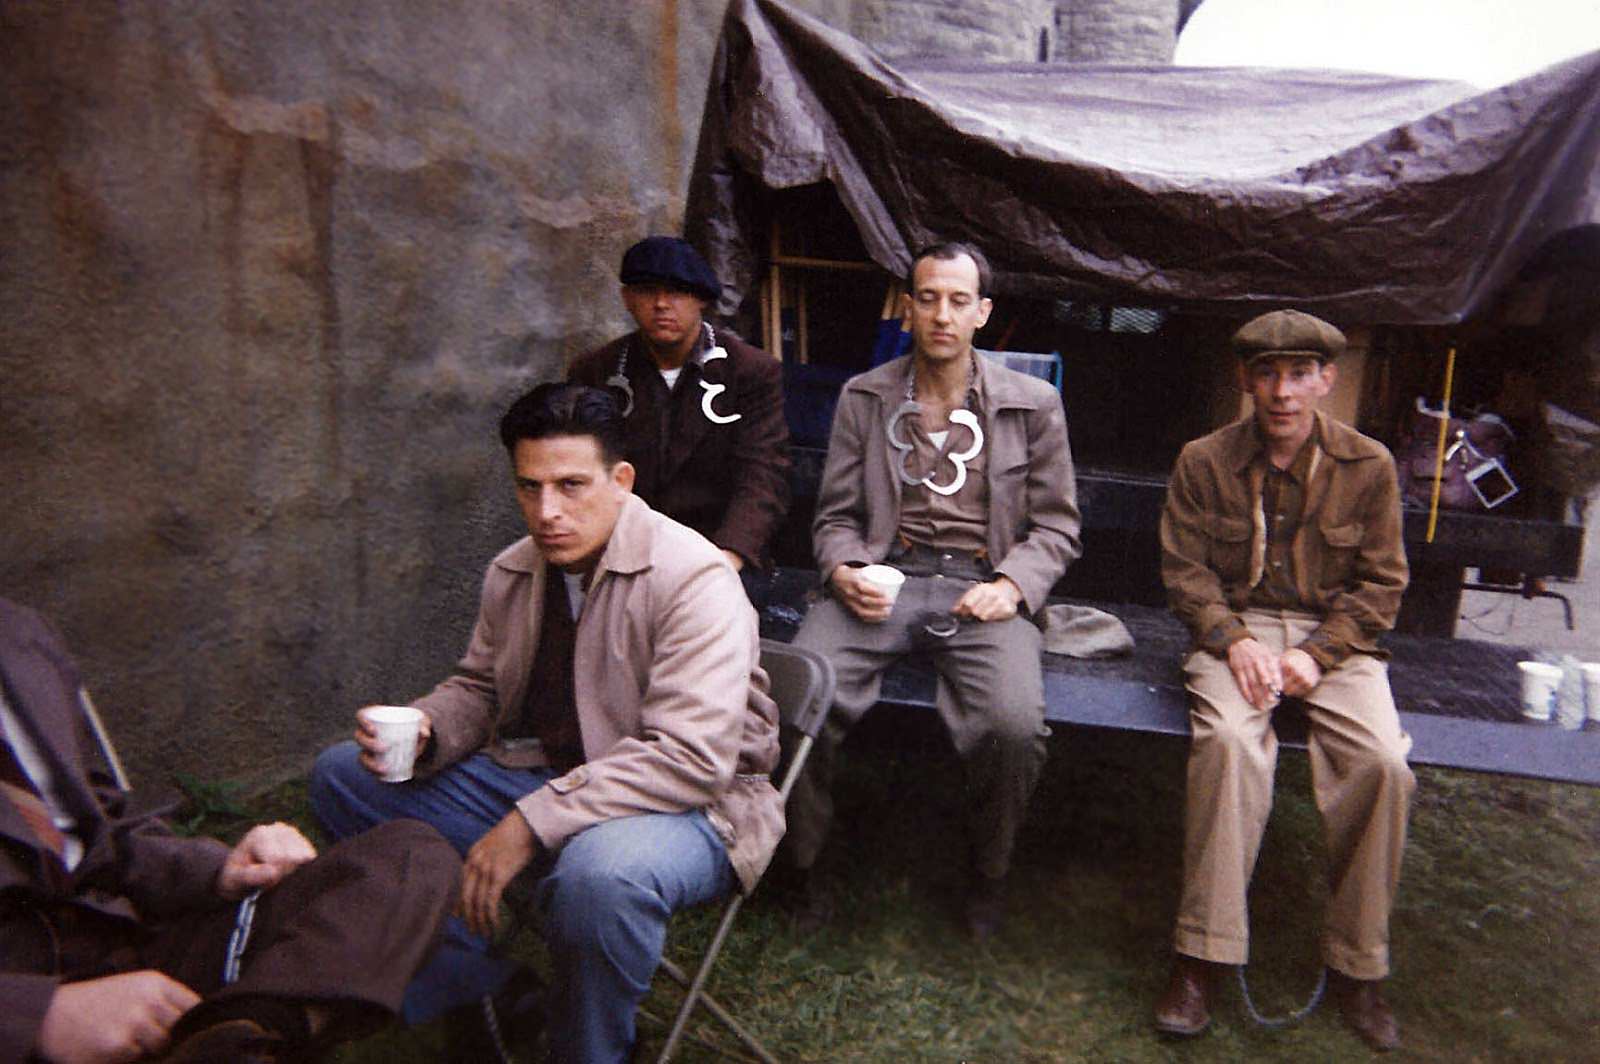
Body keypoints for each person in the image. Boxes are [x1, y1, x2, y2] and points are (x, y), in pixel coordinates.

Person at [309, 383, 783, 1063]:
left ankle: (592, 1051)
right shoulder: (515, 569)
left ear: (621, 480)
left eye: (570, 485)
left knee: (599, 877)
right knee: (343, 779)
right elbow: (479, 687)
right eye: (529, 488)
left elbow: (692, 758)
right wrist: (427, 728)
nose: (547, 512)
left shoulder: (694, 578)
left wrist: (530, 824)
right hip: (555, 776)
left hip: (693, 808)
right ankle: (482, 985)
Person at [0, 597, 459, 1064]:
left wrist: (217, 869)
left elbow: (99, 822)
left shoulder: (18, 635)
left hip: (132, 940)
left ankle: (238, 1033)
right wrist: (38, 1016)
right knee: (340, 778)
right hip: (29, 997)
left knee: (414, 856)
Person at [783, 241, 1081, 940]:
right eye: (927, 298)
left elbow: (1059, 526)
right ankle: (800, 866)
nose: (941, 315)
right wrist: (844, 570)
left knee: (1012, 726)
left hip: (981, 589)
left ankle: (989, 872)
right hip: (887, 580)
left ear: (982, 313)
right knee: (798, 698)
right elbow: (833, 517)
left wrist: (1013, 584)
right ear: (907, 308)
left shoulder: (1032, 405)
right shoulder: (866, 396)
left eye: (957, 301)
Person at [1154, 309, 1413, 1051]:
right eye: (1266, 374)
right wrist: (1231, 640)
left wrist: (1320, 653)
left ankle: (1361, 966)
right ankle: (1200, 956)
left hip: (1335, 644)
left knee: (1384, 763)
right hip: (1237, 631)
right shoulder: (1204, 459)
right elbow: (1186, 572)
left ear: (1328, 380)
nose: (1282, 392)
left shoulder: (1370, 466)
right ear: (1243, 380)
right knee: (1231, 745)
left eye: (1300, 374)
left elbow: (1383, 584)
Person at [567, 235, 790, 589]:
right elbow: (582, 473)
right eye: (647, 291)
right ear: (627, 299)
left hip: (716, 550)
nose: (661, 304)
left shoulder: (750, 372)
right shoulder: (597, 372)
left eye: (678, 292)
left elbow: (763, 473)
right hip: (621, 552)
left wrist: (727, 558)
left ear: (701, 298)